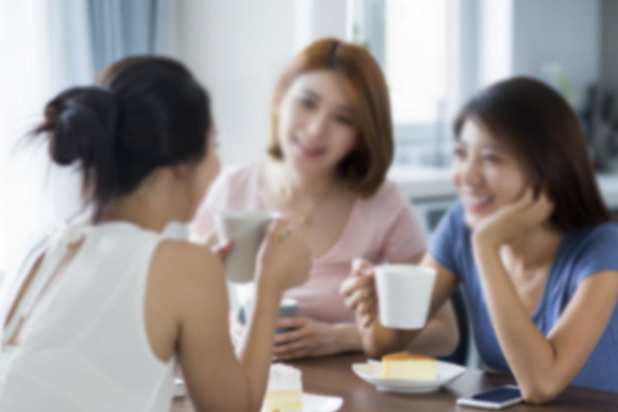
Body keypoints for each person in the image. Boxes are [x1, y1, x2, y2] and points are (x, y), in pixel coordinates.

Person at [0, 56, 310, 412]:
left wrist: (197, 288)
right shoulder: (183, 268)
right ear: (178, 166)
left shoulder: (40, 244)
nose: (218, 164)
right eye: (213, 146)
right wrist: (268, 289)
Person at [342, 76, 618, 402]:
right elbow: (388, 345)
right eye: (461, 154)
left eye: (491, 158)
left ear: (545, 167)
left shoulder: (606, 244)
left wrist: (486, 247)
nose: (466, 175)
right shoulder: (459, 227)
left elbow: (542, 384)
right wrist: (374, 309)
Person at [192, 37, 454, 361]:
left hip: (355, 398)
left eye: (343, 119)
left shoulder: (384, 203)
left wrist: (343, 337)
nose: (317, 130)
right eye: (307, 103)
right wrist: (228, 324)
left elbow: (445, 334)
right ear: (279, 98)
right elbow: (191, 303)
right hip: (256, 388)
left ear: (361, 136)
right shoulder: (229, 189)